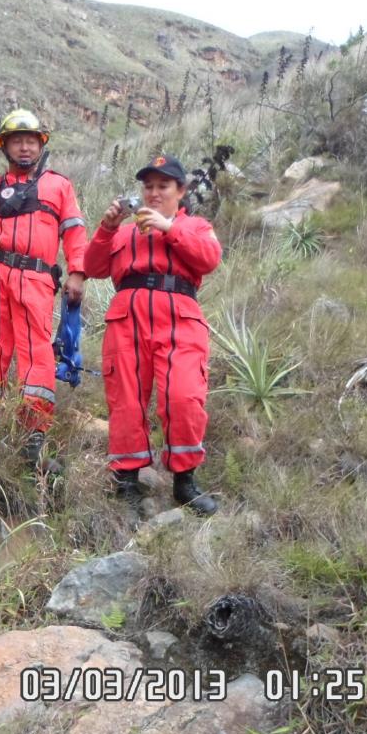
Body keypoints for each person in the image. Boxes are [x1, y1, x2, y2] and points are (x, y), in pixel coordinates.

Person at [0, 109, 87, 469]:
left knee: (37, 352)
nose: (25, 147)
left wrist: (77, 272)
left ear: (41, 145)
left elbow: (74, 232)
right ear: (4, 146)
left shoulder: (59, 186)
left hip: (36, 278)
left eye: (31, 141)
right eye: (17, 141)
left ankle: (32, 437)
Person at [83, 154, 222, 515]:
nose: (154, 193)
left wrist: (168, 229)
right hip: (127, 318)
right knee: (126, 400)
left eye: (163, 186)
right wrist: (107, 227)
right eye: (148, 187)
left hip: (180, 319)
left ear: (181, 190)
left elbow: (209, 259)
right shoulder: (123, 232)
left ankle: (184, 482)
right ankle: (126, 481)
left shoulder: (195, 226)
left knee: (184, 397)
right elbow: (92, 266)